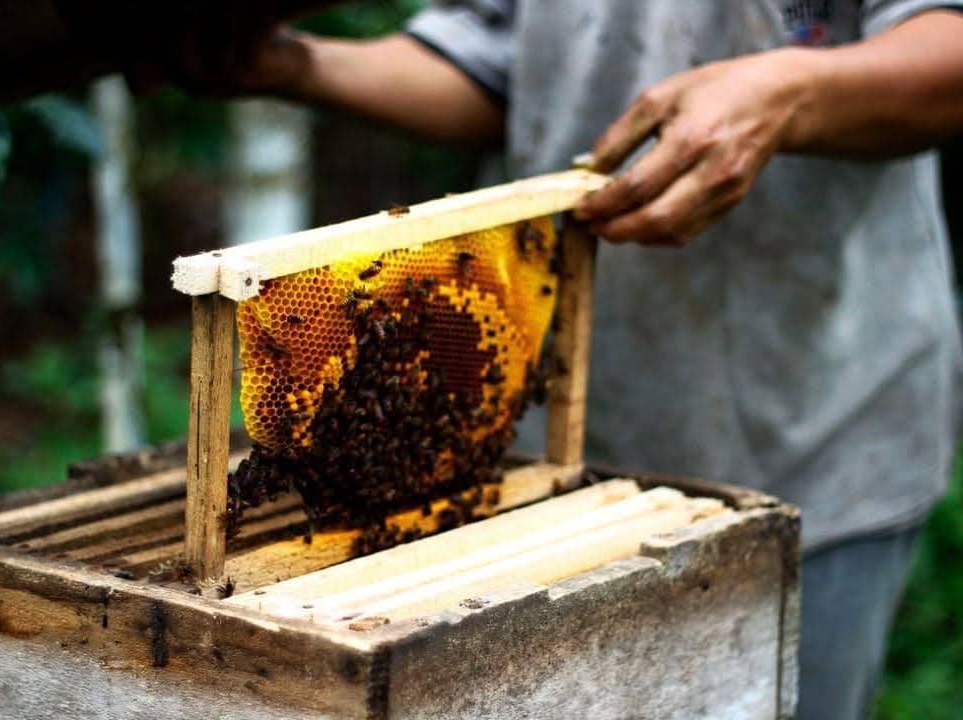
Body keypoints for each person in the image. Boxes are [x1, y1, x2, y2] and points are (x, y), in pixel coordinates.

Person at [150, 2, 963, 717]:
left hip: (819, 419)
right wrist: (297, 65)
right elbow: (497, 64)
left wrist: (789, 90)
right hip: (547, 442)